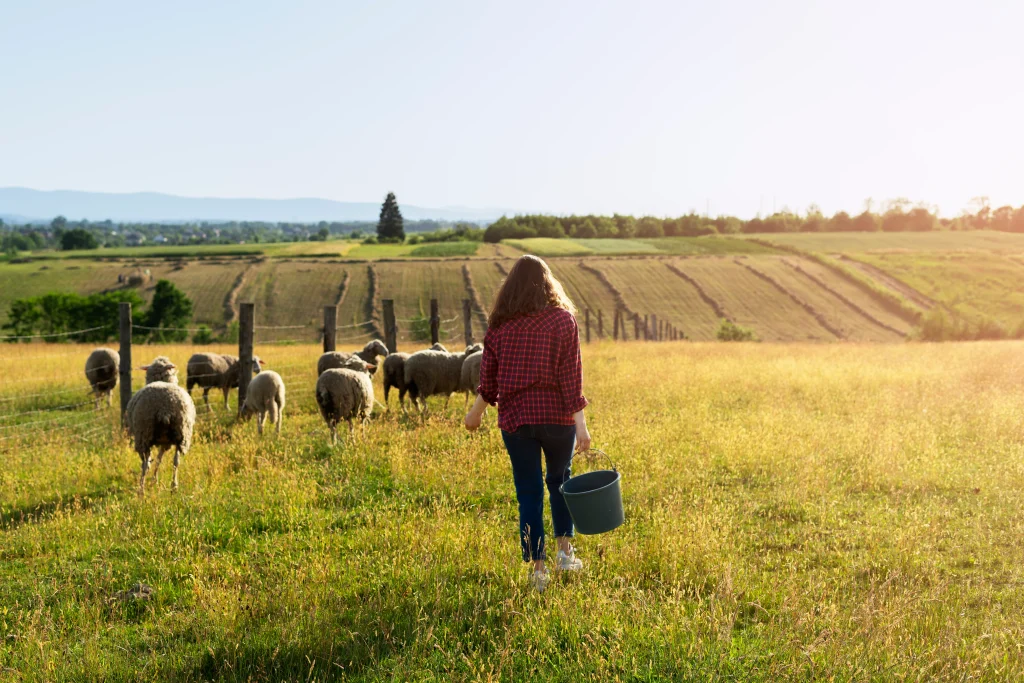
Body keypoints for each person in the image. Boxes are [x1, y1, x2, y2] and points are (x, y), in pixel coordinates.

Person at [464, 255, 591, 593]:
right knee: (561, 482)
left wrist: (475, 413)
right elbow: (571, 378)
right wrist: (581, 424)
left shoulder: (500, 326)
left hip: (516, 421)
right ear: (548, 283)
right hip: (557, 419)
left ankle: (538, 570)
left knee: (529, 493)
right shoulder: (563, 321)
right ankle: (565, 553)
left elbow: (488, 383)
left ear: (511, 287)